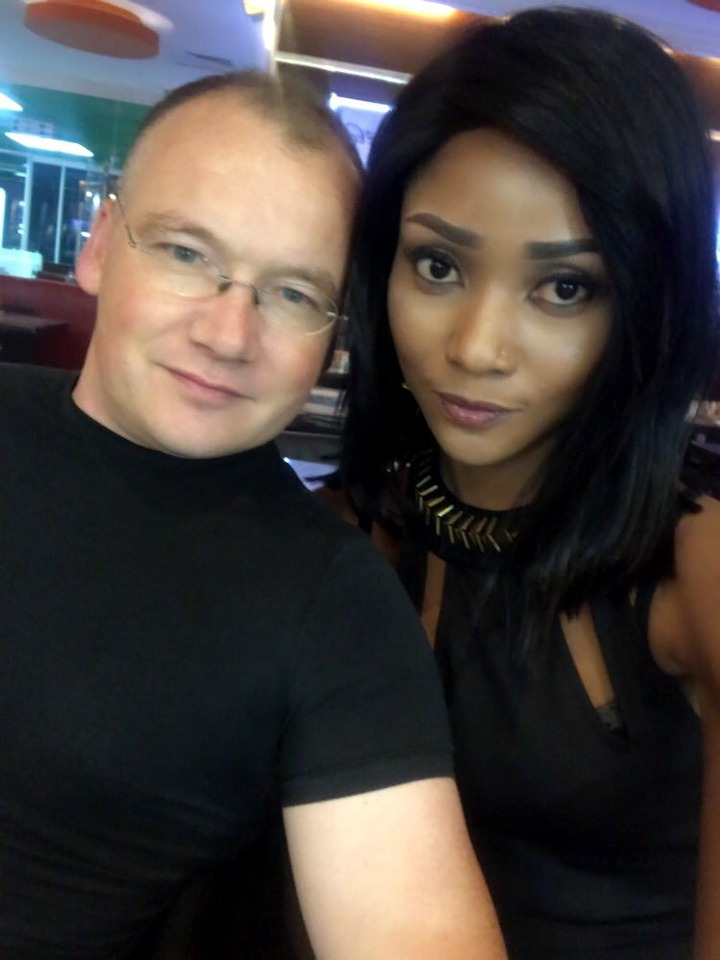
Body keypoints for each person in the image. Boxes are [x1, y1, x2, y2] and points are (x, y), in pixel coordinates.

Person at [0, 71, 506, 959]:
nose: (228, 335)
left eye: (293, 294)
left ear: (334, 336)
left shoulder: (335, 604)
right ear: (100, 246)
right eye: (186, 254)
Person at [337, 8, 720, 959]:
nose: (476, 349)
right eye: (438, 265)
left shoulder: (696, 566)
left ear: (646, 308)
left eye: (563, 288)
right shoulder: (351, 530)